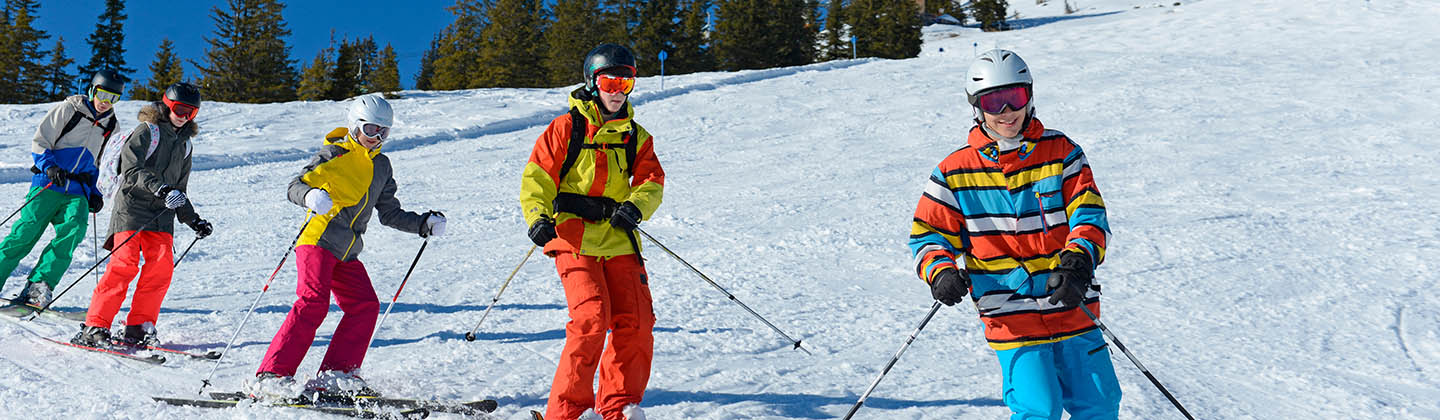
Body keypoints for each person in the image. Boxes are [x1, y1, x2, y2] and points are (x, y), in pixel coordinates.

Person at [907, 49, 1122, 420]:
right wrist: (939, 272)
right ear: (977, 107)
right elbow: (928, 236)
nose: (1007, 111)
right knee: (1040, 408)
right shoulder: (954, 171)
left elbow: (1089, 215)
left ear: (1030, 96)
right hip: (1009, 312)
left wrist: (1078, 260)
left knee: (1100, 404)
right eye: (994, 102)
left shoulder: (1062, 153)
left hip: (1070, 300)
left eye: (1015, 97)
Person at [249, 94, 446, 399]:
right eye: (371, 129)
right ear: (355, 125)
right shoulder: (335, 154)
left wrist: (423, 223)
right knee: (313, 302)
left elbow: (390, 213)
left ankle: (336, 375)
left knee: (365, 305)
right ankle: (272, 376)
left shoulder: (381, 166)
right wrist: (310, 196)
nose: (377, 137)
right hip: (318, 240)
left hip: (347, 251)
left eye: (383, 131)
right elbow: (295, 186)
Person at [519, 43, 665, 420]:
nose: (617, 91)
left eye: (626, 84)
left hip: (619, 239)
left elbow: (651, 180)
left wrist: (635, 206)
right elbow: (537, 178)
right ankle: (567, 413)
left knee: (637, 324)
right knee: (591, 320)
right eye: (610, 82)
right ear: (592, 82)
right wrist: (537, 216)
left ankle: (619, 408)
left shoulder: (635, 137)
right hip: (574, 238)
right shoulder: (566, 128)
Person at [73, 82, 213, 348]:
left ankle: (139, 326)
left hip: (161, 216)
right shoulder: (148, 131)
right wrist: (160, 188)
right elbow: (132, 169)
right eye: (180, 109)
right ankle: (95, 326)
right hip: (131, 208)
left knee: (161, 270)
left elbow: (180, 189)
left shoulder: (185, 145)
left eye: (191, 112)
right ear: (167, 105)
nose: (184, 116)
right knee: (123, 265)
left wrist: (192, 219)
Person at [0, 70, 122, 308]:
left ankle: (39, 287)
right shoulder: (69, 110)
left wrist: (96, 193)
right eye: (103, 94)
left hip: (78, 190)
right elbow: (41, 141)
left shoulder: (111, 127)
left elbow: (102, 162)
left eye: (113, 98)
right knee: (24, 234)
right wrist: (49, 167)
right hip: (48, 183)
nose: (106, 102)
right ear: (92, 90)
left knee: (73, 232)